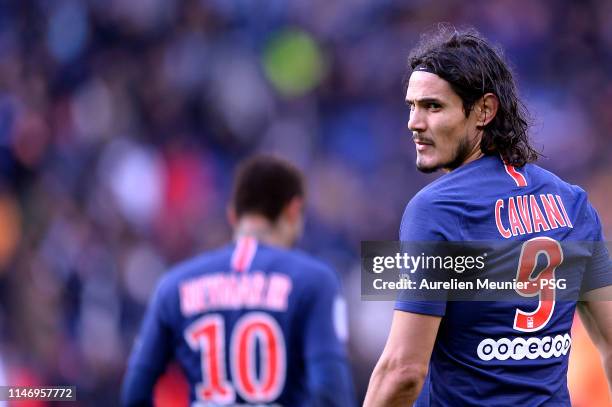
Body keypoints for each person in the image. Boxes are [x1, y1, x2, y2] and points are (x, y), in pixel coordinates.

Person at [364, 26, 612, 406]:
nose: (414, 122)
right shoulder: (573, 203)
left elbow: (403, 372)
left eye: (433, 106)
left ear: (484, 111)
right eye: (411, 106)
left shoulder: (436, 209)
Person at [122, 155, 354, 406]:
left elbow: (135, 393)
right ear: (293, 210)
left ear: (233, 215)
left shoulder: (173, 285)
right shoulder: (315, 281)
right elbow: (331, 394)